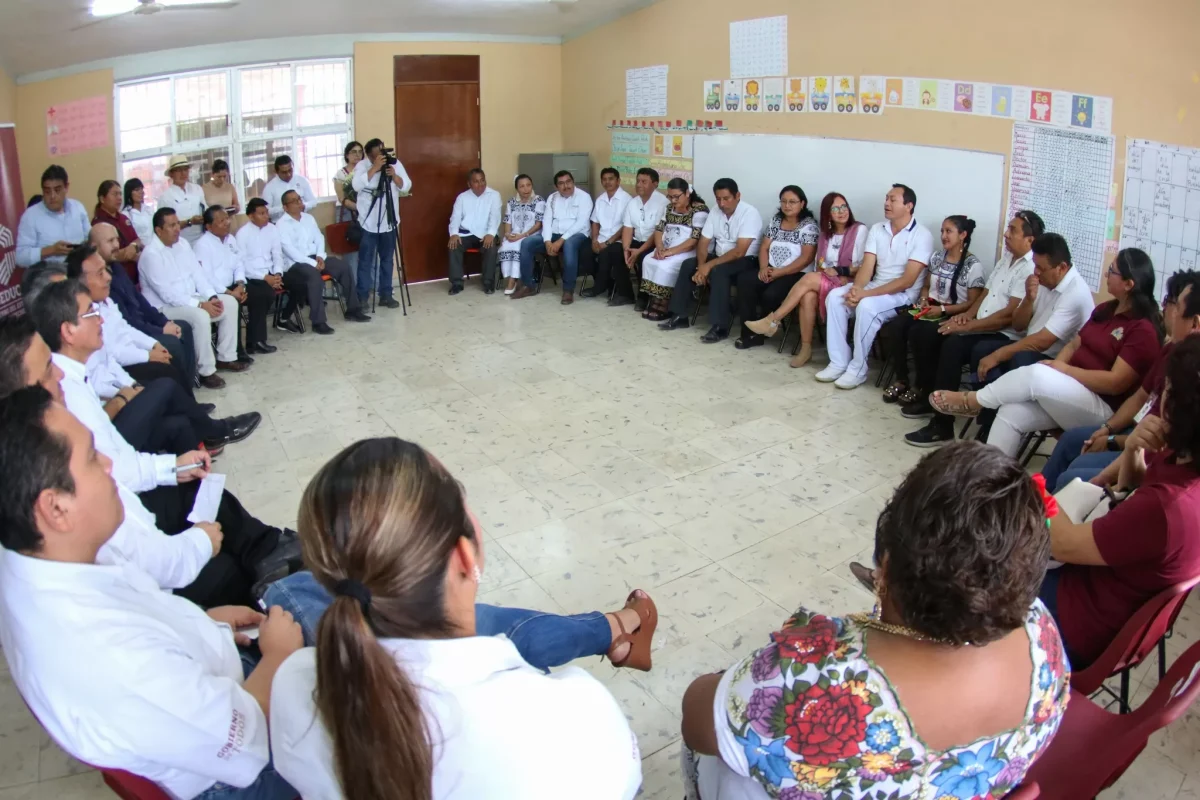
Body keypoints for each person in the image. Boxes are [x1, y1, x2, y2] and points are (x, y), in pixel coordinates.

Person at [680, 441, 1067, 800]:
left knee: (730, 762)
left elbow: (694, 722)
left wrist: (764, 671)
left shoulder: (811, 684)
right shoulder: (1041, 633)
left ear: (885, 564)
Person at [268, 437, 648, 800]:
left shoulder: (292, 682)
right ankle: (615, 629)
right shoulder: (580, 716)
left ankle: (611, 628)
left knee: (287, 591)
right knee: (491, 624)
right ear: (464, 556)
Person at [0, 385, 305, 800]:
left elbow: (144, 608)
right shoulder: (107, 655)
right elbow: (245, 737)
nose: (109, 464)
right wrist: (279, 656)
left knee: (309, 607)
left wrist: (204, 623)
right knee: (329, 628)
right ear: (55, 508)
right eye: (92, 458)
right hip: (239, 768)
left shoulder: (44, 561)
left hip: (213, 680)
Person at [15, 293, 298, 608]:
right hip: (139, 566)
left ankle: (269, 548)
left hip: (136, 520)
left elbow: (118, 461)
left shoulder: (64, 397)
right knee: (225, 566)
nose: (58, 373)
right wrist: (200, 541)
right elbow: (139, 544)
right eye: (47, 368)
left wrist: (172, 468)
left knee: (188, 461)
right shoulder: (55, 433)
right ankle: (269, 572)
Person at [1043, 335, 1200, 668]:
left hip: (1078, 619)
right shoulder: (1184, 460)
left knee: (983, 559)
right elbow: (1133, 487)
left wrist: (1035, 490)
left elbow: (1062, 543)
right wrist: (1132, 450)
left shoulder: (1167, 508)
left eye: (1168, 390)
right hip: (1106, 588)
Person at [931, 247, 1163, 458]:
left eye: (1112, 271)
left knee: (1036, 374)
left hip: (1102, 408)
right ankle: (991, 478)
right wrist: (1058, 371)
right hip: (1072, 392)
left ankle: (974, 401)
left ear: (1128, 284)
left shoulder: (1142, 329)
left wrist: (1063, 370)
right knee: (1010, 412)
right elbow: (1074, 345)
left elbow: (1115, 383)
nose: (1106, 275)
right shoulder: (1105, 310)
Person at [31, 277, 259, 459]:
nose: (100, 320)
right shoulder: (59, 377)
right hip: (106, 441)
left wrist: (132, 387)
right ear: (67, 329)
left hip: (117, 406)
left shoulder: (87, 347)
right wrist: (123, 397)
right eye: (92, 314)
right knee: (165, 386)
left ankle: (195, 485)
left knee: (178, 425)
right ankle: (218, 430)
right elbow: (94, 434)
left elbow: (112, 365)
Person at [1042, 270, 1200, 491]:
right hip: (1130, 432)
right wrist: (1108, 429)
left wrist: (1111, 441)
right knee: (1070, 441)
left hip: (1146, 453)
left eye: (1173, 304)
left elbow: (1157, 443)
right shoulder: (1169, 350)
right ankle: (1036, 501)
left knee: (1073, 475)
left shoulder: (1189, 375)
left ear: (1194, 322)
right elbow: (1140, 397)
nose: (1165, 309)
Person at [905, 210, 1046, 447]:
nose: (1006, 234)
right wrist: (965, 316)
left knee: (952, 345)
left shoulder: (1030, 268)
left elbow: (1009, 316)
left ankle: (943, 425)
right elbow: (985, 294)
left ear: (1029, 240)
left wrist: (970, 326)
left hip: (1003, 333)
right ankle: (928, 397)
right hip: (980, 324)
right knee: (930, 332)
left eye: (1012, 230)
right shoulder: (1006, 258)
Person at [817, 184, 934, 389]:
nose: (886, 203)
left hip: (903, 296)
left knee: (867, 306)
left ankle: (858, 369)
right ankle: (838, 362)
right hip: (875, 286)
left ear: (908, 206)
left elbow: (907, 281)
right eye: (886, 198)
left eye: (892, 200)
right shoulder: (878, 229)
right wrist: (856, 289)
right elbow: (867, 266)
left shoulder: (922, 235)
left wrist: (865, 294)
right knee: (835, 297)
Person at [746, 192, 868, 368]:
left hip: (850, 282)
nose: (841, 211)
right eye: (835, 209)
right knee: (807, 295)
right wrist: (827, 272)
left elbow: (865, 265)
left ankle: (773, 320)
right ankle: (806, 349)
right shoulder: (825, 235)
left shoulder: (859, 230)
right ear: (828, 214)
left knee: (809, 278)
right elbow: (820, 264)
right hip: (827, 280)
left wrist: (841, 271)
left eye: (844, 207)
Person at [64, 242, 195, 400]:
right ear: (80, 282)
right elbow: (113, 353)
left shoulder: (106, 300)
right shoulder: (86, 316)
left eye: (106, 270)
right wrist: (148, 355)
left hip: (131, 354)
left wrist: (153, 345)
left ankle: (192, 405)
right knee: (166, 372)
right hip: (124, 364)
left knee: (169, 357)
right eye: (100, 274)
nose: (108, 277)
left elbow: (126, 329)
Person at [881, 215, 984, 413]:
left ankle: (921, 386)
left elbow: (972, 303)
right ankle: (901, 379)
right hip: (930, 308)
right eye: (942, 231)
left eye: (949, 231)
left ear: (963, 235)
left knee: (921, 333)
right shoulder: (937, 257)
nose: (943, 236)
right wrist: (923, 299)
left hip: (952, 313)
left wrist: (943, 310)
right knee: (896, 326)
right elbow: (927, 286)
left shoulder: (973, 265)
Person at [139, 207, 246, 387]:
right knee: (200, 316)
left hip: (191, 299)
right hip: (164, 307)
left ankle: (226, 358)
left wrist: (211, 297)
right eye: (171, 226)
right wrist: (200, 305)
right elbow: (167, 293)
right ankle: (206, 371)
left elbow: (198, 275)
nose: (177, 229)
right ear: (158, 230)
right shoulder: (151, 255)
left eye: (177, 224)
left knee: (228, 303)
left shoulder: (182, 244)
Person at [89, 224, 198, 389]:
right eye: (110, 241)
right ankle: (182, 392)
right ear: (94, 246)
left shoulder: (117, 268)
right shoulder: (99, 284)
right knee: (172, 344)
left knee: (184, 327)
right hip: (133, 335)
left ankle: (188, 387)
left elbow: (140, 300)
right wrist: (160, 330)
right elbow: (127, 322)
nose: (117, 245)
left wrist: (163, 322)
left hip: (142, 325)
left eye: (117, 240)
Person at [659, 177, 762, 341]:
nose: (722, 203)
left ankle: (720, 327)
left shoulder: (750, 213)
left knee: (718, 271)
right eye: (718, 199)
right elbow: (703, 242)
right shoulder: (715, 211)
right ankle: (679, 316)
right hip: (719, 256)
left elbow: (739, 251)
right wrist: (701, 266)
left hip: (745, 260)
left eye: (726, 198)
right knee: (688, 264)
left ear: (737, 196)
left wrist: (708, 267)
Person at [734, 185, 819, 350]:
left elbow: (806, 258)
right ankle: (748, 333)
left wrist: (780, 272)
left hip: (796, 273)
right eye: (784, 201)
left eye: (792, 202)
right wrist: (763, 268)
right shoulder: (776, 221)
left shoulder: (809, 226)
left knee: (771, 294)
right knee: (745, 280)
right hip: (771, 269)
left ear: (802, 203)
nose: (787, 205)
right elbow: (764, 247)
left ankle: (763, 331)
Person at [277, 189, 370, 332]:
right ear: (285, 207)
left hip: (316, 257)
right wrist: (314, 263)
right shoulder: (281, 224)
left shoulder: (308, 218)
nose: (299, 202)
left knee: (343, 267)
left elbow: (319, 238)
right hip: (296, 264)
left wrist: (320, 256)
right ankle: (318, 322)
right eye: (294, 201)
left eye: (299, 199)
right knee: (314, 277)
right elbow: (290, 251)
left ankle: (353, 309)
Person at [194, 205, 275, 362]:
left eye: (227, 218)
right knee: (234, 303)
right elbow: (206, 276)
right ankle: (237, 351)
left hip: (234, 285)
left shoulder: (230, 239)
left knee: (263, 293)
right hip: (215, 290)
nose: (227, 223)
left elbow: (239, 263)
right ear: (208, 226)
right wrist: (229, 292)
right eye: (221, 221)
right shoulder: (202, 245)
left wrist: (240, 284)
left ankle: (255, 341)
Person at [516, 170, 594, 305]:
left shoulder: (584, 197)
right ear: (556, 187)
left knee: (569, 244)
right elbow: (546, 221)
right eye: (561, 183)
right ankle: (528, 285)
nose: (566, 186)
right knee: (527, 243)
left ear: (573, 182)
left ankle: (568, 290)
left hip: (578, 234)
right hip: (554, 234)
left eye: (568, 182)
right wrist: (547, 241)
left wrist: (560, 241)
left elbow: (581, 223)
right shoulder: (552, 198)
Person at [352, 138, 412, 309]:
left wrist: (394, 176)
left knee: (387, 260)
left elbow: (407, 186)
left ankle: (386, 295)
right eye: (374, 156)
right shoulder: (362, 166)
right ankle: (362, 297)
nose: (378, 158)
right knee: (365, 261)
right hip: (368, 223)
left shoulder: (394, 163)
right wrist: (374, 168)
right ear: (369, 156)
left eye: (380, 154)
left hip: (389, 221)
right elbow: (356, 186)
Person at [639, 179, 709, 322]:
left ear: (687, 193)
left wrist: (669, 253)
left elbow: (694, 240)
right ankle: (656, 300)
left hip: (687, 250)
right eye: (670, 197)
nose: (673, 200)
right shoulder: (669, 208)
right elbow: (659, 229)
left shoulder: (699, 210)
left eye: (676, 197)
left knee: (665, 265)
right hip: (667, 246)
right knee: (648, 259)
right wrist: (660, 248)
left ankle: (665, 304)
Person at [236, 197, 291, 344]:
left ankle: (284, 318)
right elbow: (242, 264)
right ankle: (256, 341)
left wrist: (278, 274)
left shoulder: (272, 229)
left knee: (298, 281)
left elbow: (277, 254)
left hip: (272, 272)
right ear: (251, 216)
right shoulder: (242, 234)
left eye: (266, 212)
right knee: (264, 294)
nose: (266, 216)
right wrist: (265, 277)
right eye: (261, 213)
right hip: (253, 276)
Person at [15, 165, 91, 267]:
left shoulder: (78, 208)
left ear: (66, 187)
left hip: (79, 270)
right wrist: (51, 250)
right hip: (47, 274)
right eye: (47, 191)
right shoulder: (30, 216)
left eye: (57, 190)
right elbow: (20, 257)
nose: (52, 196)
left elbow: (90, 238)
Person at [614, 167, 666, 308]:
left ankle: (644, 297)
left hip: (654, 243)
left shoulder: (663, 203)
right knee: (616, 253)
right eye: (638, 181)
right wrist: (626, 249)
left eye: (644, 182)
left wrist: (639, 251)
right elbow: (628, 228)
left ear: (655, 184)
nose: (639, 185)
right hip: (636, 240)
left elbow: (658, 231)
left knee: (644, 258)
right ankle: (626, 294)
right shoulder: (633, 202)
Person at [447, 168, 502, 295]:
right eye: (476, 181)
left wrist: (491, 233)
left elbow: (495, 217)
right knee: (453, 245)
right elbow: (455, 217)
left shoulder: (494, 195)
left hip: (486, 233)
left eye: (482, 180)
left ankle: (488, 283)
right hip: (466, 233)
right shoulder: (462, 197)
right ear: (469, 184)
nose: (480, 184)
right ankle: (456, 283)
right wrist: (454, 233)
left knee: (491, 247)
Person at [581, 167, 632, 299]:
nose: (607, 182)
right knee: (584, 253)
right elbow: (595, 222)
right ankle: (608, 283)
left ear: (618, 181)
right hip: (601, 239)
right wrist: (594, 240)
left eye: (611, 179)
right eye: (604, 179)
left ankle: (599, 286)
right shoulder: (600, 199)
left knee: (606, 253)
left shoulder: (627, 200)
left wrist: (608, 242)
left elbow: (626, 226)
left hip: (618, 240)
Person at [497, 174, 545, 296]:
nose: (526, 189)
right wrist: (507, 234)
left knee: (519, 245)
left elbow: (539, 224)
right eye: (522, 186)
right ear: (517, 189)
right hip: (516, 234)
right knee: (506, 244)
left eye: (528, 185)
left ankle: (513, 280)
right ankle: (512, 277)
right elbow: (507, 221)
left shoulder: (538, 200)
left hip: (532, 235)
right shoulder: (512, 202)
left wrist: (523, 235)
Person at [92, 179, 143, 281]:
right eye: (115, 194)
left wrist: (133, 246)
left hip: (135, 275)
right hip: (115, 277)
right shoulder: (98, 224)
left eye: (120, 194)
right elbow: (105, 255)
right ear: (102, 199)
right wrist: (129, 253)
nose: (119, 198)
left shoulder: (123, 218)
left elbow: (138, 240)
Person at [159, 155, 208, 245]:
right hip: (179, 243)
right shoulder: (165, 197)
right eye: (179, 170)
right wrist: (189, 221)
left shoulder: (197, 189)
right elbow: (164, 226)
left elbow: (205, 210)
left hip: (202, 240)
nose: (183, 173)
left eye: (185, 169)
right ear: (171, 174)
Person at [262, 155, 317, 223]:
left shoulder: (302, 181)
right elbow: (265, 211)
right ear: (276, 171)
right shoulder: (269, 188)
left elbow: (313, 201)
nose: (288, 174)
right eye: (284, 172)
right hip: (280, 224)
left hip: (302, 222)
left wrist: (304, 205)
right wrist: (284, 208)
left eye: (290, 170)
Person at [333, 140, 362, 223]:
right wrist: (357, 207)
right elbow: (341, 197)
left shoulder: (366, 172)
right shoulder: (340, 174)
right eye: (354, 152)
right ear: (347, 155)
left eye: (360, 152)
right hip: (346, 210)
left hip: (364, 209)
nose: (357, 155)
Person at [122, 177, 155, 242]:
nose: (141, 192)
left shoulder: (149, 209)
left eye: (141, 189)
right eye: (137, 190)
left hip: (153, 246)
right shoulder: (126, 214)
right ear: (129, 193)